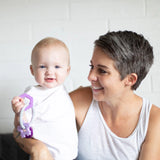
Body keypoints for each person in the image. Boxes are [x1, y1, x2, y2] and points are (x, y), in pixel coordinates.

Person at [13, 31, 160, 160]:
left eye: (102, 71)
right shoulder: (78, 100)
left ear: (130, 79)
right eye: (92, 66)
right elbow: (21, 129)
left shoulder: (153, 121)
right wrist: (37, 148)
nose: (90, 76)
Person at [11, 37, 78, 160]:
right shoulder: (32, 95)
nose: (49, 72)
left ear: (67, 71)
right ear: (32, 70)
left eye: (57, 67)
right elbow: (20, 128)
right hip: (44, 156)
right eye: (42, 67)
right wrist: (19, 113)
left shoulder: (61, 90)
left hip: (69, 156)